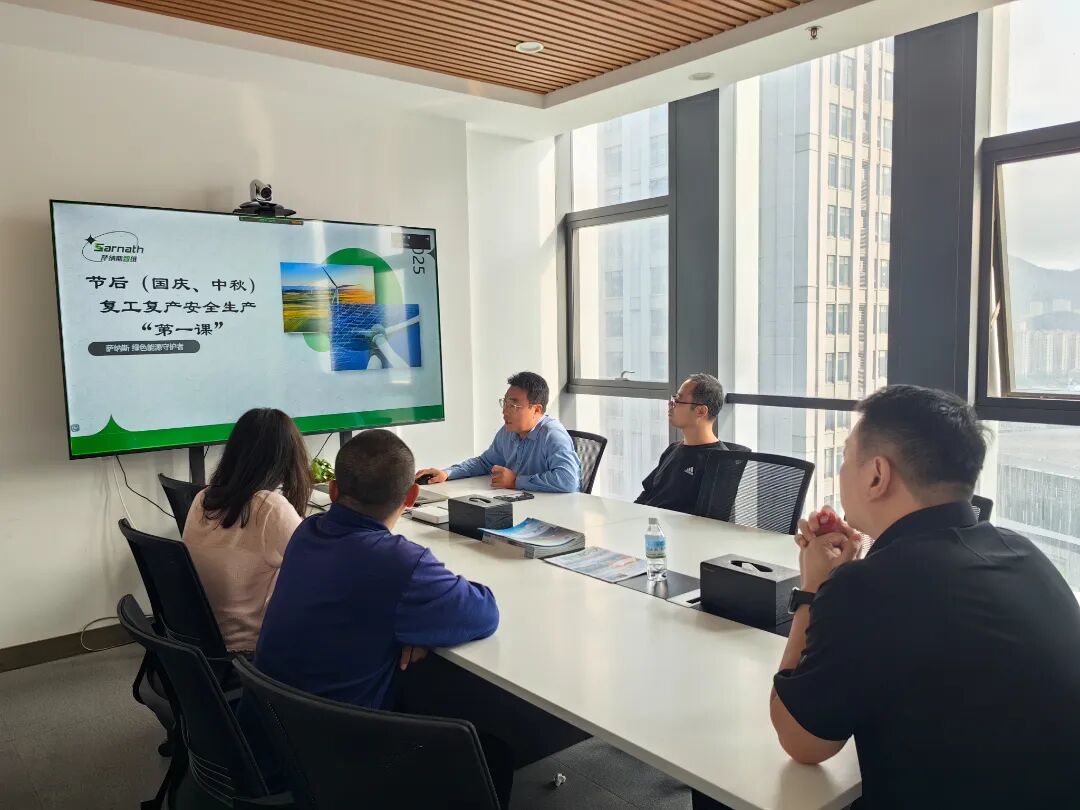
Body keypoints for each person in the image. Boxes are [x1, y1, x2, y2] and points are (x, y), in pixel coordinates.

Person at [762, 385, 1080, 810]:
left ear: (877, 475)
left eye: (846, 457)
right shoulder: (1022, 552)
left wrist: (813, 589)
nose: (841, 471)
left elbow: (801, 740)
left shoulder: (868, 588)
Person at [254, 428, 500, 709]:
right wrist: (418, 627)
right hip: (338, 731)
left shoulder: (307, 531)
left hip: (265, 721)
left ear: (332, 490)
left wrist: (410, 623)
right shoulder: (401, 564)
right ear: (412, 496)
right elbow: (484, 613)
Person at [182, 407, 311, 653]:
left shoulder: (203, 498)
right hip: (249, 648)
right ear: (287, 458)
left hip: (202, 641)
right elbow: (319, 568)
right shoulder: (269, 507)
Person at [416, 371, 581, 493]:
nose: (505, 412)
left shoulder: (552, 435)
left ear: (536, 410)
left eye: (513, 406)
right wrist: (447, 473)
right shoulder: (508, 431)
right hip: (523, 503)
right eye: (505, 403)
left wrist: (516, 481)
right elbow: (485, 463)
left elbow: (568, 480)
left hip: (554, 512)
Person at [636, 373, 734, 514]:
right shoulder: (672, 449)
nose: (670, 404)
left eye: (678, 400)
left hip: (677, 527)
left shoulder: (721, 463)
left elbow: (710, 519)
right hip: (649, 523)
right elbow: (648, 492)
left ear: (701, 411)